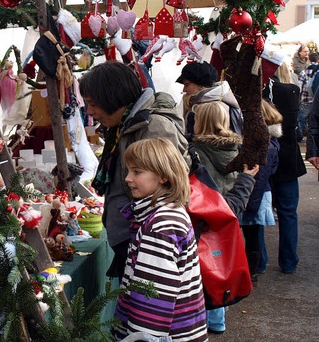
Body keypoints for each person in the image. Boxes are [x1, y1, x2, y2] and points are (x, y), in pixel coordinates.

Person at [79, 61, 188, 279]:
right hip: (133, 239)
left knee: (146, 308)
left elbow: (170, 186)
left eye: (93, 104)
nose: (90, 111)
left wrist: (144, 232)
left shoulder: (152, 126)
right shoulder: (123, 125)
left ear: (112, 97)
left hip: (147, 243)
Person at [113, 138, 207, 341]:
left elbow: (152, 299)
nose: (128, 178)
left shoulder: (160, 225)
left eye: (137, 172)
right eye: (128, 170)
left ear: (163, 176)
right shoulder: (163, 214)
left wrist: (140, 338)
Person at [190, 101, 258, 335]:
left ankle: (210, 318)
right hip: (230, 220)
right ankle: (220, 317)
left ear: (199, 121)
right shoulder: (236, 150)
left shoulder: (194, 153)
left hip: (205, 220)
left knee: (205, 269)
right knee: (224, 264)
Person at [264, 66, 307, 275]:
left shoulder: (262, 91)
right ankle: (289, 261)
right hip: (288, 158)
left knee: (258, 211)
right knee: (288, 212)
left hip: (264, 156)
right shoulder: (292, 91)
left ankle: (259, 261)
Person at [239, 100, 282, 282]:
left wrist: (251, 204)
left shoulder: (265, 147)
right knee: (253, 235)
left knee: (252, 236)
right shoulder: (269, 143)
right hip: (257, 193)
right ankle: (252, 271)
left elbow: (261, 177)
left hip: (254, 194)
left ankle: (251, 273)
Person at [176, 61, 243, 140]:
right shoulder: (223, 101)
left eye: (187, 84)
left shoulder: (210, 108)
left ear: (200, 84)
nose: (184, 89)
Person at [297, 52, 319, 139]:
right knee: (314, 121)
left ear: (309, 60)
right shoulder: (317, 71)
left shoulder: (304, 72)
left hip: (306, 99)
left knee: (302, 118)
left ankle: (299, 135)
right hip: (315, 100)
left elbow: (299, 86)